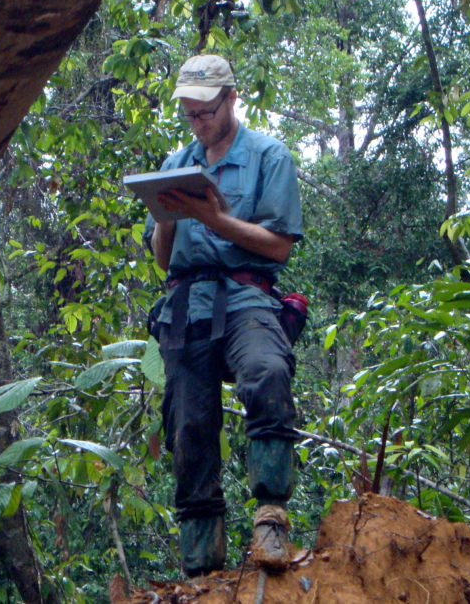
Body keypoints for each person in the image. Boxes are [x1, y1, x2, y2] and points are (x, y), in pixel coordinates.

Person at [143, 54, 303, 577]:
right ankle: (201, 565)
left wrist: (214, 217)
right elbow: (164, 259)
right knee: (188, 425)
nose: (198, 123)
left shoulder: (268, 156)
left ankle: (271, 518)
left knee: (267, 371)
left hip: (247, 294)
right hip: (188, 304)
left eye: (206, 112)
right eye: (189, 115)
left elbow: (278, 247)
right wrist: (166, 216)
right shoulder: (176, 162)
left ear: (231, 99)